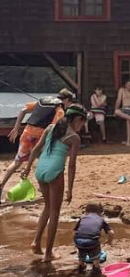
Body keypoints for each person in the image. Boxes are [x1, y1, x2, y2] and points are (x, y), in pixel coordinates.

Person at [22, 104, 88, 261]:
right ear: (78, 119)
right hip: (55, 172)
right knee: (54, 213)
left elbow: (36, 149)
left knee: (47, 207)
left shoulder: (50, 128)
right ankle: (48, 253)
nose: (81, 128)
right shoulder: (74, 138)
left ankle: (36, 243)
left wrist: (27, 168)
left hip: (41, 170)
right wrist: (70, 190)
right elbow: (71, 166)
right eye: (82, 124)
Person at [0, 88, 75, 205]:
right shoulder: (59, 109)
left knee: (16, 162)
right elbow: (54, 127)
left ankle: (0, 186)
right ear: (67, 100)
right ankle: (43, 188)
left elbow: (23, 111)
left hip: (27, 134)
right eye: (70, 103)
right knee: (44, 160)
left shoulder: (42, 101)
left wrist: (16, 128)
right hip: (40, 136)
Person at [74, 202, 113, 276]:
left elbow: (75, 232)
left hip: (78, 239)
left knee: (82, 251)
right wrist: (109, 241)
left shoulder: (82, 218)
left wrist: (76, 243)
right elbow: (111, 233)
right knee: (95, 253)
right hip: (92, 240)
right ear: (101, 213)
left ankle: (81, 265)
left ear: (86, 212)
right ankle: (96, 267)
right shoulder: (101, 219)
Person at [114, 79, 130, 146]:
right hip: (124, 109)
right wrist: (116, 108)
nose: (129, 86)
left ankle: (128, 142)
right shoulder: (122, 90)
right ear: (125, 85)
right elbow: (118, 100)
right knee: (116, 111)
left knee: (128, 121)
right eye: (128, 84)